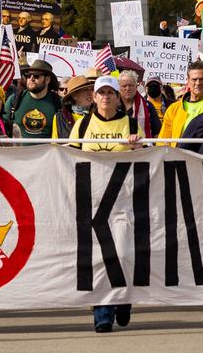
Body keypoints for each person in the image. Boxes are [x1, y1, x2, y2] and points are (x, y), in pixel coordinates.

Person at [67, 76, 142, 333]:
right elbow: (69, 159)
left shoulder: (130, 123)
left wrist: (136, 146)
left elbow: (144, 158)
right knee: (98, 259)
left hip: (121, 200)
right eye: (102, 93)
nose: (106, 97)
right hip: (91, 200)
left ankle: (123, 300)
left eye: (111, 93)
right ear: (94, 97)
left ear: (117, 97)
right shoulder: (83, 125)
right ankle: (103, 312)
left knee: (122, 254)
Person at [6, 60, 61, 140]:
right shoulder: (14, 99)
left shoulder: (58, 102)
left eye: (36, 76)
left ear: (47, 80)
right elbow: (1, 126)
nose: (31, 78)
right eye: (28, 76)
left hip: (48, 151)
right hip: (19, 151)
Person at [118, 71, 160, 138]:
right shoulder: (111, 106)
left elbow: (157, 133)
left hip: (142, 147)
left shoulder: (148, 106)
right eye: (124, 86)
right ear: (119, 87)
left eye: (131, 85)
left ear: (136, 86)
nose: (128, 88)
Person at [53, 75, 94, 139]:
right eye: (85, 90)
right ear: (74, 95)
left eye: (91, 89)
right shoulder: (60, 117)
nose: (90, 93)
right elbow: (55, 143)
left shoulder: (98, 114)